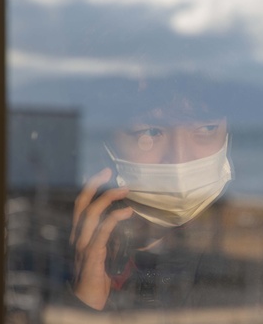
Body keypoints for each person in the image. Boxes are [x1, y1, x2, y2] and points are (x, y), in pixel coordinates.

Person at [70, 79, 232, 310]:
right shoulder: (74, 256)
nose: (179, 158)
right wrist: (85, 302)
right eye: (150, 132)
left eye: (206, 128)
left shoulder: (248, 261)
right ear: (105, 146)